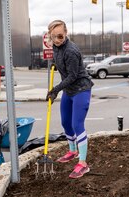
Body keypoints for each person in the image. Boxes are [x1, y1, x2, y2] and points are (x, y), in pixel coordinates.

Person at [46, 20, 94, 179]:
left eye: (60, 36)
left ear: (66, 33)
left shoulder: (71, 51)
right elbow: (60, 61)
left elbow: (73, 76)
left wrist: (55, 90)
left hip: (81, 88)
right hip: (69, 90)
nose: (57, 40)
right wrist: (55, 63)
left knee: (76, 124)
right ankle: (72, 151)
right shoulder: (55, 46)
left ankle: (83, 163)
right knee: (66, 122)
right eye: (53, 37)